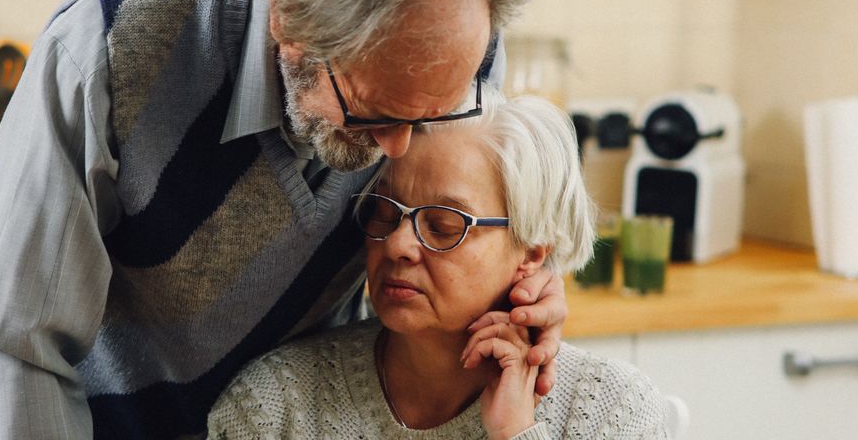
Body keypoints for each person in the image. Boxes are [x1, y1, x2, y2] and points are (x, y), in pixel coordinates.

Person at [0, 0, 573, 439]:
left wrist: (523, 284)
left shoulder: (456, 54)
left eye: (429, 116)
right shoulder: (107, 49)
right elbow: (14, 347)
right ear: (289, 26)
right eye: (374, 113)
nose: (399, 148)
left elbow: (474, 221)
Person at [207, 92, 670, 439]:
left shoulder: (615, 411)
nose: (398, 245)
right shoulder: (277, 405)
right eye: (385, 212)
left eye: (445, 225)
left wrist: (515, 432)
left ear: (532, 252)